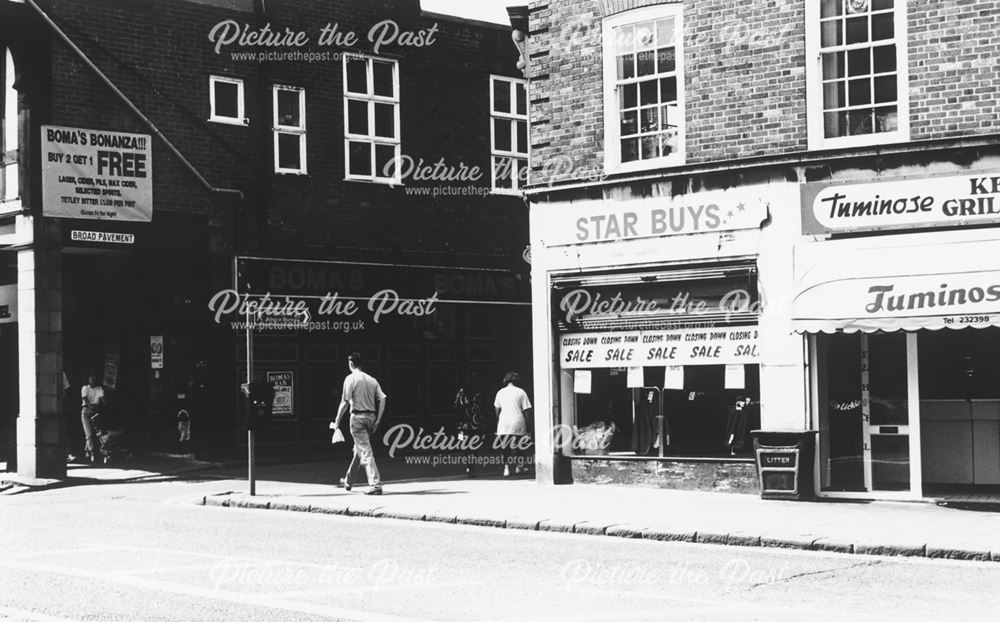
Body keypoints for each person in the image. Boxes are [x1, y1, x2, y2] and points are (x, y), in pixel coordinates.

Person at [332, 352, 387, 495]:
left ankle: (375, 484)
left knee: (365, 451)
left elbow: (344, 402)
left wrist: (337, 422)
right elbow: (383, 398)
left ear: (350, 364)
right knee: (359, 450)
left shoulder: (350, 379)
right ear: (361, 364)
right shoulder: (372, 380)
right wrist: (378, 420)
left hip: (357, 418)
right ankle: (348, 482)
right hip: (371, 418)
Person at [493, 371, 532, 477]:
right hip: (518, 421)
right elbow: (527, 410)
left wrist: (498, 421)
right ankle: (520, 466)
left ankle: (506, 468)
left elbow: (497, 410)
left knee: (505, 446)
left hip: (504, 422)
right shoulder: (521, 392)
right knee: (520, 445)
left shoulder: (500, 392)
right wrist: (529, 426)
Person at [80, 374, 105, 463]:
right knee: (89, 433)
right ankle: (92, 452)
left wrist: (106, 407)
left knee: (96, 433)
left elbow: (103, 399)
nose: (93, 381)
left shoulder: (99, 389)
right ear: (89, 380)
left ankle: (87, 452)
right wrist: (91, 407)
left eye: (95, 379)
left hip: (95, 411)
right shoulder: (85, 388)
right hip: (86, 411)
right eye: (92, 379)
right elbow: (85, 398)